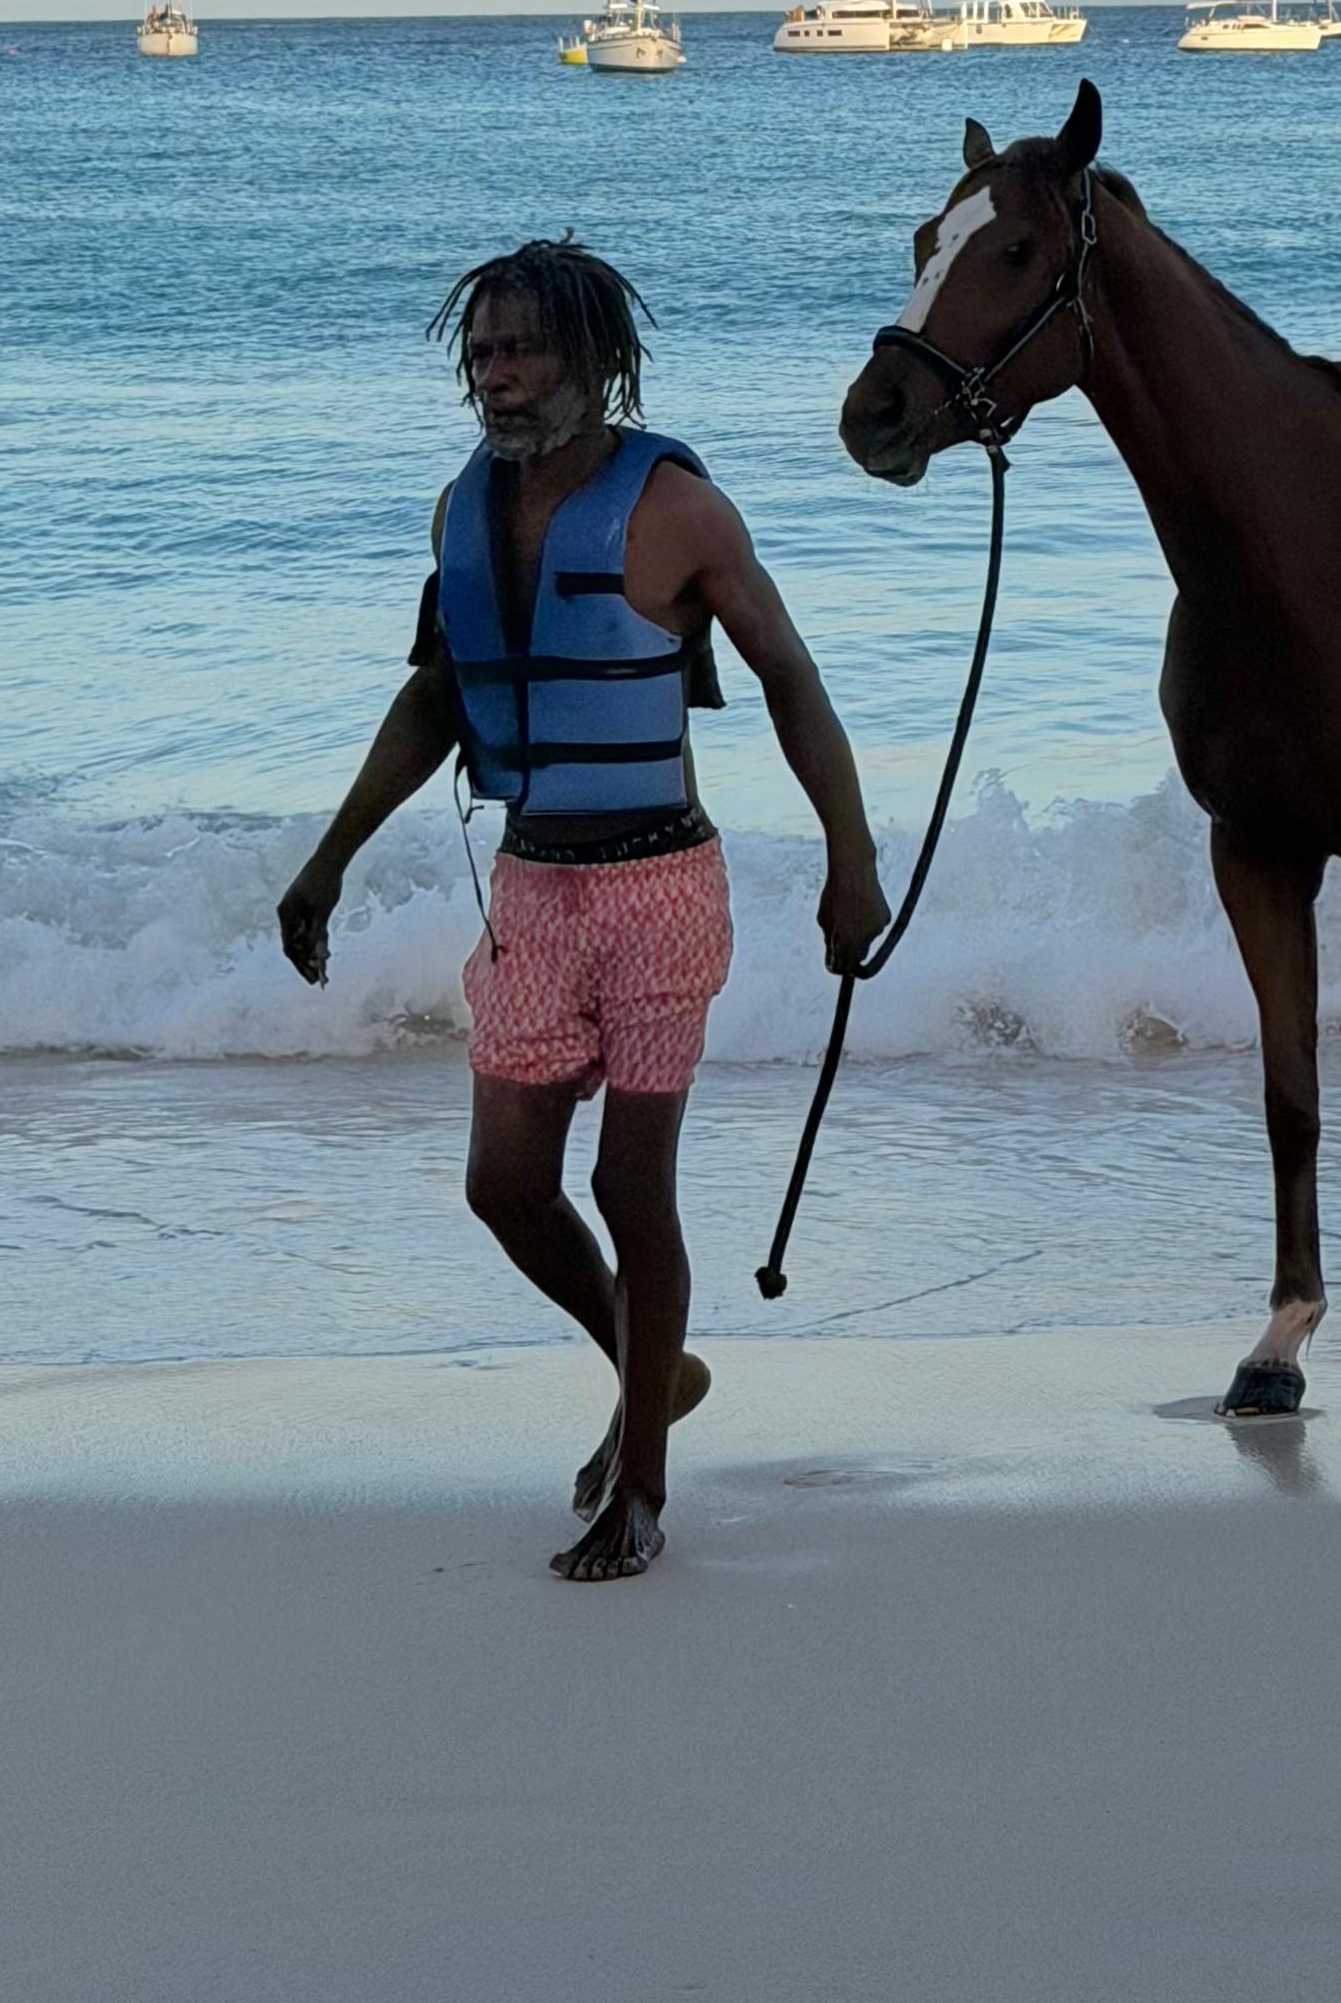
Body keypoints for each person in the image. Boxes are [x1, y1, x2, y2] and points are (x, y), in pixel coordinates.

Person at [278, 238, 889, 1581]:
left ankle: (646, 1494)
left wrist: (853, 859)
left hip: (663, 886)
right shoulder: (462, 506)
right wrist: (328, 860)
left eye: (524, 348)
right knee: (504, 1183)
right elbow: (439, 698)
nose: (498, 374)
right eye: (483, 352)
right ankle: (648, 1362)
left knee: (628, 1179)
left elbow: (790, 678)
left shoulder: (673, 505)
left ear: (594, 360)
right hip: (534, 890)